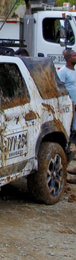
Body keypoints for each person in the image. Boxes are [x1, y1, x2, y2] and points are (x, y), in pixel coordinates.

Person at [57, 49, 76, 182]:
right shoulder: (63, 72)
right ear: (68, 58)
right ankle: (61, 170)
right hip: (70, 110)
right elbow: (61, 89)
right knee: (68, 139)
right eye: (74, 55)